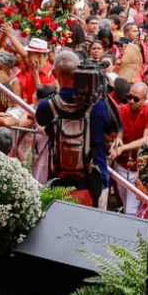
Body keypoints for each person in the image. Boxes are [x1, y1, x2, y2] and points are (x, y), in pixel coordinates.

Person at [36, 49, 121, 207]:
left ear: (54, 73)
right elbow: (113, 132)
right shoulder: (99, 104)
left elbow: (41, 121)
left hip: (59, 183)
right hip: (95, 182)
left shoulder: (47, 105)